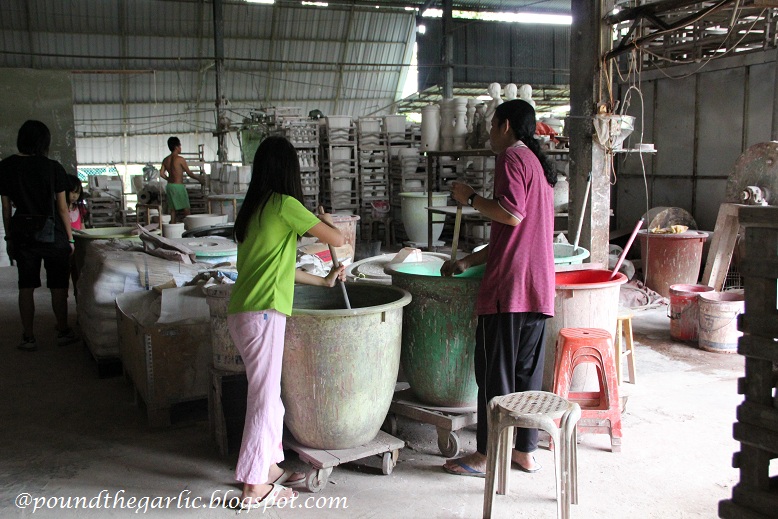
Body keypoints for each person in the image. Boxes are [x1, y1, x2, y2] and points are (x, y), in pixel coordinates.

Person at [227, 135, 346, 509]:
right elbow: (338, 238)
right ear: (289, 170)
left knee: (269, 396)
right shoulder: (284, 204)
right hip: (263, 312)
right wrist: (324, 219)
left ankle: (271, 465)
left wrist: (324, 280)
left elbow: (282, 270)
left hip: (246, 311)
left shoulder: (255, 209)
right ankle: (253, 482)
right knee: (263, 398)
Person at [440, 99, 556, 476]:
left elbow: (511, 213)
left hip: (510, 289)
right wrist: (468, 261)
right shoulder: (538, 168)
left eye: (492, 125)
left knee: (494, 374)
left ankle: (488, 455)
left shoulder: (511, 159)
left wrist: (470, 198)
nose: (490, 133)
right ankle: (524, 450)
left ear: (506, 126)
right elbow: (515, 235)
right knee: (525, 375)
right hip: (536, 287)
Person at [0, 120, 79, 351]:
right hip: (53, 234)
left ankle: (28, 337)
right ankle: (63, 331)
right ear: (44, 142)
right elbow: (63, 208)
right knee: (58, 286)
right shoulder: (53, 167)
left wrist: (9, 238)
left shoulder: (6, 167)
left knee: (25, 286)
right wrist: (70, 238)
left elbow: (6, 209)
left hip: (22, 234)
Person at [159, 136, 203, 224]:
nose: (180, 148)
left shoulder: (165, 160)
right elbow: (189, 173)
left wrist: (169, 178)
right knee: (186, 209)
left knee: (173, 210)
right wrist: (199, 179)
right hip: (178, 187)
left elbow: (161, 173)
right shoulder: (180, 159)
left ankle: (172, 230)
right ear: (176, 147)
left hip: (170, 186)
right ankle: (189, 229)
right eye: (180, 146)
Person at [66, 174, 87, 298]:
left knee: (78, 276)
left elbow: (83, 226)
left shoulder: (79, 208)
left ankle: (78, 298)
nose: (74, 196)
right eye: (72, 192)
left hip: (78, 245)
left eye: (77, 193)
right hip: (66, 245)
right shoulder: (61, 209)